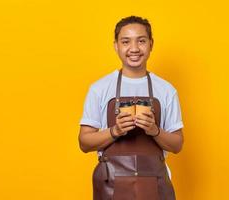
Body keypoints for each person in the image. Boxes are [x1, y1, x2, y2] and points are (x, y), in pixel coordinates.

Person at [78, 16, 184, 200]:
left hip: (155, 185)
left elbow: (177, 144)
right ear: (116, 46)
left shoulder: (166, 90)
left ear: (151, 44)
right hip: (110, 183)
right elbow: (84, 143)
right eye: (126, 42)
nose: (134, 49)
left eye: (141, 41)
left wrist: (155, 130)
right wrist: (115, 131)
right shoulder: (100, 88)